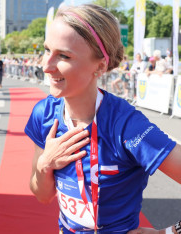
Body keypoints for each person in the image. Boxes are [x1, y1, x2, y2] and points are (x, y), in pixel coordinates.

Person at [24, 4, 181, 233]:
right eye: (48, 50)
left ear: (99, 66)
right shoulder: (44, 114)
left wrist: (170, 232)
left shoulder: (126, 126)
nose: (46, 66)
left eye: (64, 56)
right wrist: (44, 164)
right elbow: (42, 195)